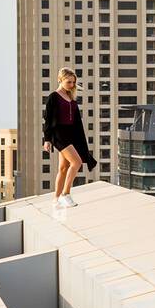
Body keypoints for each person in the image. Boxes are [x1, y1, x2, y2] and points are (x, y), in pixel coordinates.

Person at [42, 67, 97, 209]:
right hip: (59, 135)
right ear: (60, 80)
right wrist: (47, 139)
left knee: (63, 167)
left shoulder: (71, 98)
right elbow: (47, 120)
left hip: (72, 135)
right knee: (77, 162)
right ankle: (65, 194)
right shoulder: (53, 97)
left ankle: (56, 199)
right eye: (69, 82)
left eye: (73, 82)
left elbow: (76, 121)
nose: (72, 85)